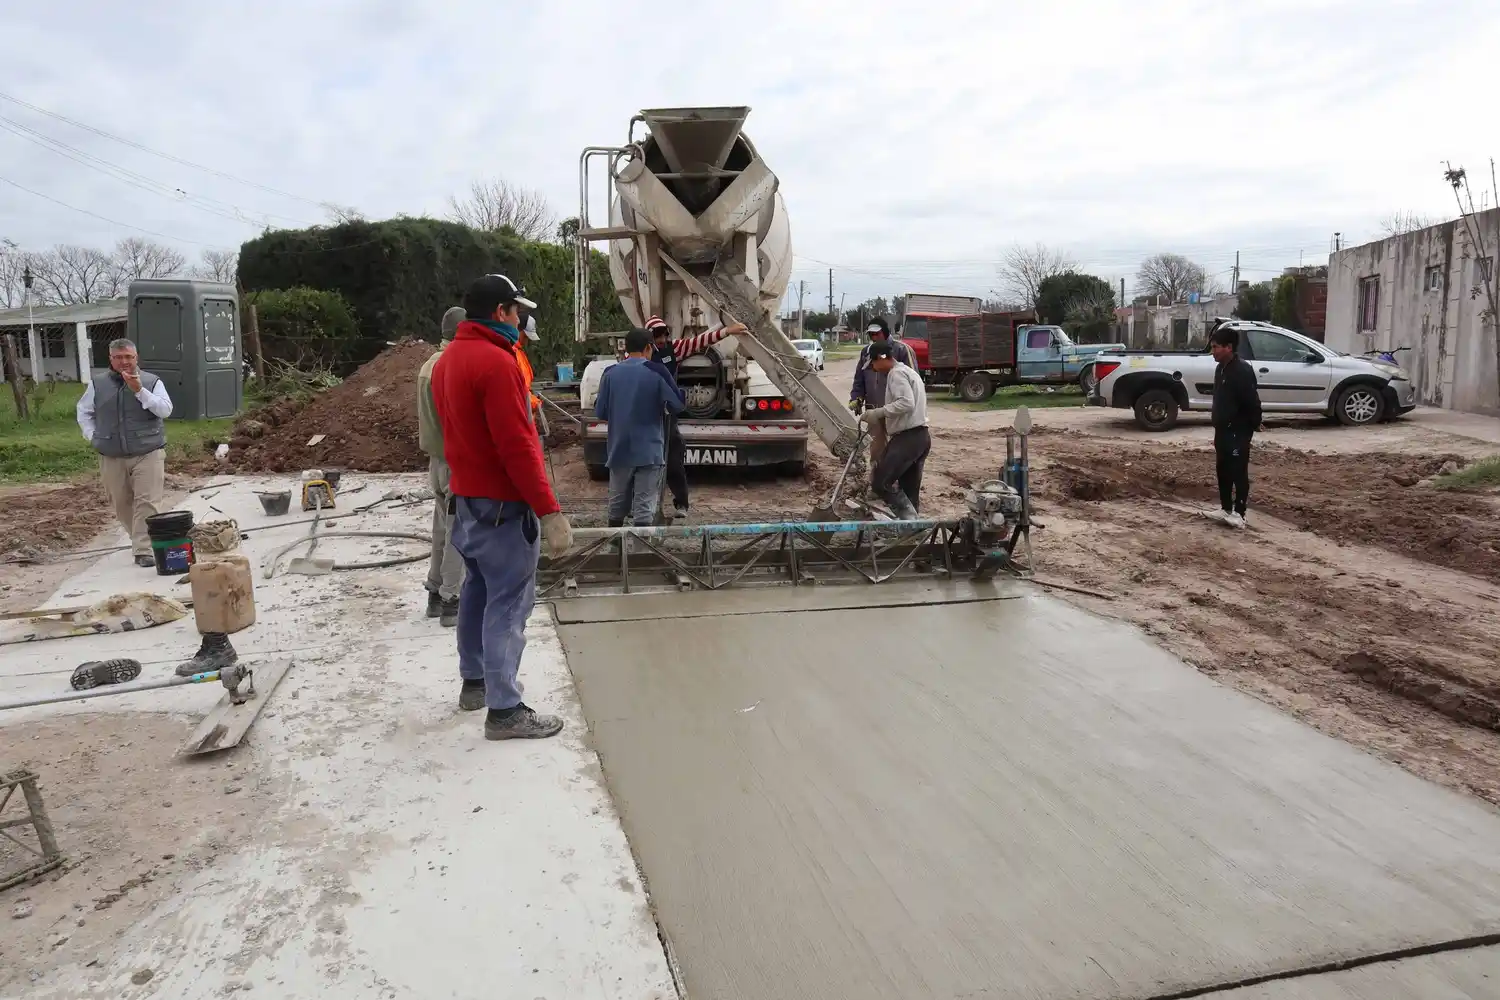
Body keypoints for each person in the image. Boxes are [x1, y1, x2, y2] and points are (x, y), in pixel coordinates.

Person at [432, 274, 574, 741]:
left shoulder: (448, 360)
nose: (519, 320)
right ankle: (505, 709)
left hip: (467, 500)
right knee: (509, 603)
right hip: (502, 507)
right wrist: (549, 511)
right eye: (516, 312)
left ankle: (474, 683)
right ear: (500, 313)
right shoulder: (498, 363)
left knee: (476, 590)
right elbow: (517, 447)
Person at [76, 338, 173, 568]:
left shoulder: (151, 381)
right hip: (111, 454)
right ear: (110, 359)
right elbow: (84, 412)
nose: (124, 362)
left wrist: (140, 391)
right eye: (119, 357)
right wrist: (92, 436)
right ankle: (139, 539)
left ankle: (143, 549)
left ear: (136, 357)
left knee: (147, 501)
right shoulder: (98, 384)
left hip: (148, 451)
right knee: (121, 503)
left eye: (128, 357)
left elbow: (165, 410)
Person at [644, 315, 748, 518]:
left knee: (673, 459)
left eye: (665, 335)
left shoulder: (674, 348)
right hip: (645, 415)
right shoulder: (640, 354)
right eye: (658, 337)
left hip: (666, 414)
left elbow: (701, 341)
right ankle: (640, 505)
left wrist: (727, 331)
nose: (663, 340)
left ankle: (681, 504)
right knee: (643, 461)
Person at [593, 327, 685, 528]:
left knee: (616, 506)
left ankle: (615, 551)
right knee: (644, 509)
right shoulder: (657, 371)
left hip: (619, 450)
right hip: (649, 451)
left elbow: (600, 412)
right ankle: (639, 553)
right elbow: (677, 404)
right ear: (647, 348)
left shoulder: (610, 373)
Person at [417, 306, 468, 626]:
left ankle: (435, 593)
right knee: (457, 534)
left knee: (440, 531)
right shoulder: (452, 366)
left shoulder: (427, 365)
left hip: (435, 462)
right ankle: (452, 599)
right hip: (454, 464)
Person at [858, 339, 930, 520]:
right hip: (921, 437)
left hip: (908, 438)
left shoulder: (896, 374)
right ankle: (911, 528)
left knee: (880, 483)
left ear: (882, 358)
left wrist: (878, 413)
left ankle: (908, 517)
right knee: (909, 489)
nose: (874, 368)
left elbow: (906, 403)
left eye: (874, 363)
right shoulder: (909, 372)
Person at [1209, 326, 1262, 529]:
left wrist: (1253, 425)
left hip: (1238, 430)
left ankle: (1240, 514)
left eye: (1216, 347)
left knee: (1238, 471)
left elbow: (1252, 402)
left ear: (1228, 347)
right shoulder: (1220, 368)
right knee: (1222, 469)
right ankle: (1225, 508)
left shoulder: (1242, 371)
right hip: (1222, 429)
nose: (1212, 352)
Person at [848, 318, 915, 466]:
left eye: (876, 334)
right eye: (870, 335)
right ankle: (877, 480)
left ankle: (896, 481)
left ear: (884, 332)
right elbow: (859, 379)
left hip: (896, 411)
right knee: (877, 449)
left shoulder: (902, 350)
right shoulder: (866, 352)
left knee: (898, 450)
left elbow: (913, 380)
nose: (874, 337)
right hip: (874, 410)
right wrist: (857, 398)